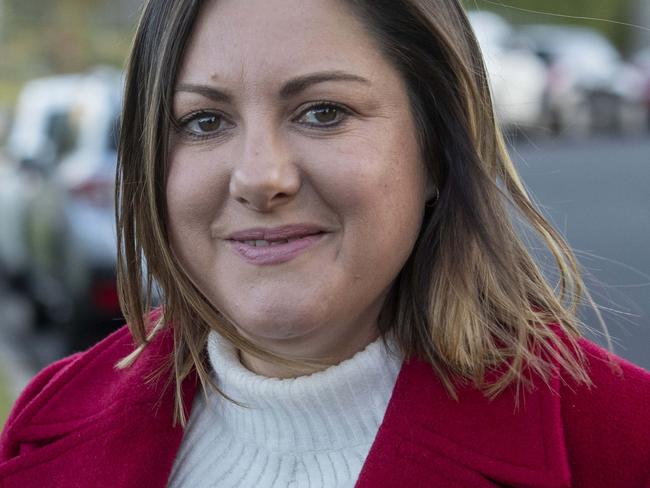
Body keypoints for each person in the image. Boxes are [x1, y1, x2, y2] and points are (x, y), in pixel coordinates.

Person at [1, 0, 649, 486]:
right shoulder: (43, 427)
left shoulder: (623, 444)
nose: (260, 177)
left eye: (323, 112)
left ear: (438, 148)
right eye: (204, 121)